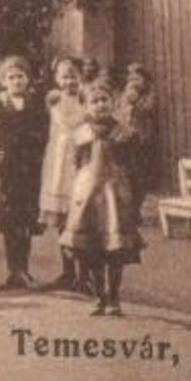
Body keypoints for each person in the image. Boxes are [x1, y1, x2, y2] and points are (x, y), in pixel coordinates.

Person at [62, 80, 145, 316]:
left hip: (116, 198)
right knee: (91, 249)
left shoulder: (124, 134)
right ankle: (99, 296)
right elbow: (75, 165)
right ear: (85, 107)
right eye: (94, 101)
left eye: (104, 100)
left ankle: (114, 296)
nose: (100, 105)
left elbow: (135, 168)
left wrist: (134, 199)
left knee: (115, 249)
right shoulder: (80, 135)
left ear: (113, 103)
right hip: (88, 196)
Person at [0, 56, 49, 291]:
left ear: (28, 79)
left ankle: (24, 269)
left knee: (26, 220)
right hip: (7, 167)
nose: (16, 81)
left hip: (30, 168)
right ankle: (12, 271)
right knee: (9, 220)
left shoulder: (36, 103)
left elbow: (44, 134)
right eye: (11, 77)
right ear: (3, 80)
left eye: (20, 76)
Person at [38, 56, 88, 292]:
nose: (69, 81)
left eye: (73, 75)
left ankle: (85, 274)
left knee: (82, 217)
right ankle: (68, 271)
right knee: (62, 218)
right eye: (64, 76)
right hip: (59, 162)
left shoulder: (87, 98)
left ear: (81, 76)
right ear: (57, 79)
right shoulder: (54, 100)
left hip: (83, 160)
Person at [114, 63, 159, 221]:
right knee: (128, 176)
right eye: (131, 78)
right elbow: (118, 112)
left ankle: (136, 209)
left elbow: (148, 109)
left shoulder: (149, 96)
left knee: (141, 177)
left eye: (138, 78)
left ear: (145, 81)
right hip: (127, 141)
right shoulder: (124, 95)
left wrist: (135, 101)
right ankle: (129, 210)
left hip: (143, 141)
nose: (133, 82)